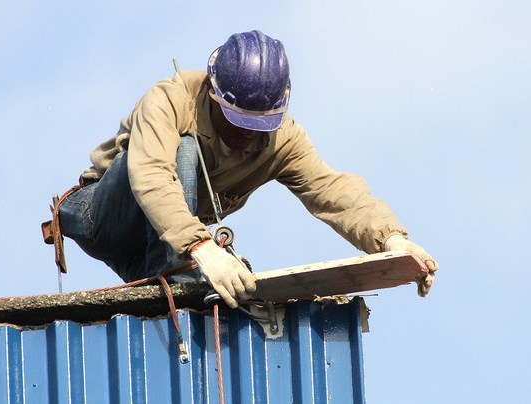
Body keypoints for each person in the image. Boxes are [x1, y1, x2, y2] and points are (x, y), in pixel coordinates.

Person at [56, 30, 438, 308]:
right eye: (237, 121)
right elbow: (151, 176)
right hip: (102, 218)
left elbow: (332, 191)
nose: (246, 135)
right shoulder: (170, 99)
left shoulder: (282, 140)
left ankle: (176, 275)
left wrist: (391, 239)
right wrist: (201, 247)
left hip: (155, 243)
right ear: (213, 94)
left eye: (259, 125)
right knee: (184, 151)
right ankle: (181, 270)